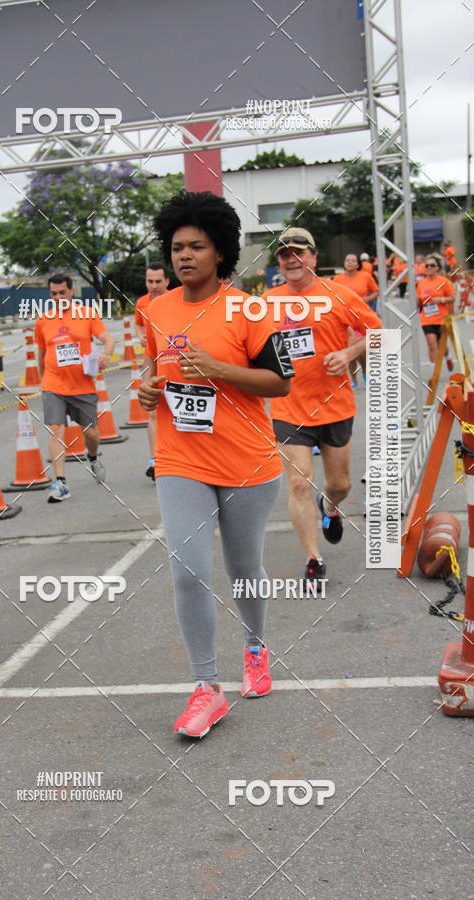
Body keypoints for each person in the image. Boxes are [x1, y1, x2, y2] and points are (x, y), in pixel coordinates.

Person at [139, 191, 294, 739]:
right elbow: (151, 374)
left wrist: (221, 368)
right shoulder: (155, 308)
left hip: (248, 461)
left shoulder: (249, 309)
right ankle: (206, 688)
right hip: (180, 457)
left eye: (196, 247)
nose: (184, 256)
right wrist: (149, 393)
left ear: (220, 252)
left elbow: (280, 382)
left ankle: (255, 647)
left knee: (243, 569)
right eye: (177, 247)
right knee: (189, 572)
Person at [262, 227, 382, 590]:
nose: (291, 259)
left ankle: (330, 507)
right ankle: (314, 559)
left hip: (335, 406)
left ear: (313, 257)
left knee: (341, 484)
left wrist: (348, 353)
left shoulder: (338, 295)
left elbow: (379, 333)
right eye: (284, 254)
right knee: (299, 482)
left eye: (298, 252)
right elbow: (243, 346)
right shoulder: (265, 303)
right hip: (288, 408)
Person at [34, 274, 115, 500]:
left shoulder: (87, 314)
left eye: (62, 293)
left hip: (83, 385)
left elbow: (108, 339)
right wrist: (43, 382)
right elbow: (41, 353)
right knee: (56, 429)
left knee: (90, 432)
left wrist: (106, 355)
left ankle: (93, 457)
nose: (58, 297)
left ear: (71, 292)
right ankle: (61, 483)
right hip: (53, 384)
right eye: (53, 294)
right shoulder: (43, 320)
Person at [133, 262, 170, 480]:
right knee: (153, 411)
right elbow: (138, 324)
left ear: (167, 281)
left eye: (158, 281)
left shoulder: (177, 299)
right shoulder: (142, 303)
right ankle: (155, 460)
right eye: (150, 281)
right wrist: (140, 335)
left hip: (173, 362)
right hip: (152, 360)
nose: (154, 285)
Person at [333, 252, 379, 383]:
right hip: (345, 319)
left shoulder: (365, 277)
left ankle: (365, 372)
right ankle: (353, 379)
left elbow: (376, 291)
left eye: (353, 261)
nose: (350, 263)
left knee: (362, 350)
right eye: (348, 260)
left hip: (360, 318)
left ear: (358, 264)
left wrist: (367, 299)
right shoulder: (338, 279)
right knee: (349, 350)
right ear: (344, 263)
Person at [416, 253, 455, 366]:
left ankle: (447, 356)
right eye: (426, 265)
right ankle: (434, 373)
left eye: (432, 265)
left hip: (441, 318)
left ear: (437, 268)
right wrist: (418, 301)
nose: (428, 268)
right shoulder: (421, 283)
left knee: (441, 344)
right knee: (432, 345)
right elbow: (418, 302)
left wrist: (441, 300)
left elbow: (452, 298)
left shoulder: (443, 281)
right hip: (427, 318)